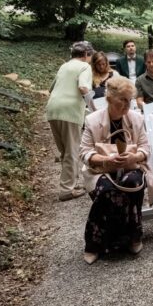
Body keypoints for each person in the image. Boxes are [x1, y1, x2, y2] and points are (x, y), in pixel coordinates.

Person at [79, 76, 153, 264]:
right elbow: (84, 153)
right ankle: (94, 244)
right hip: (101, 170)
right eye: (123, 99)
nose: (127, 104)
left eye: (129, 99)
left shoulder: (136, 119)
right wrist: (106, 159)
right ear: (110, 98)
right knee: (107, 190)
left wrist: (134, 157)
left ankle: (133, 237)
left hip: (131, 166)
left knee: (133, 183)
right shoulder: (92, 120)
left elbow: (145, 148)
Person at [46, 41, 94, 200]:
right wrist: (92, 107)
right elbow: (83, 87)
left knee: (65, 151)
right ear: (86, 54)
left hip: (53, 110)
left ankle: (69, 184)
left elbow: (51, 89)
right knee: (72, 151)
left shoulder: (64, 66)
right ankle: (67, 190)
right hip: (70, 112)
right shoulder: (84, 67)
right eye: (90, 56)